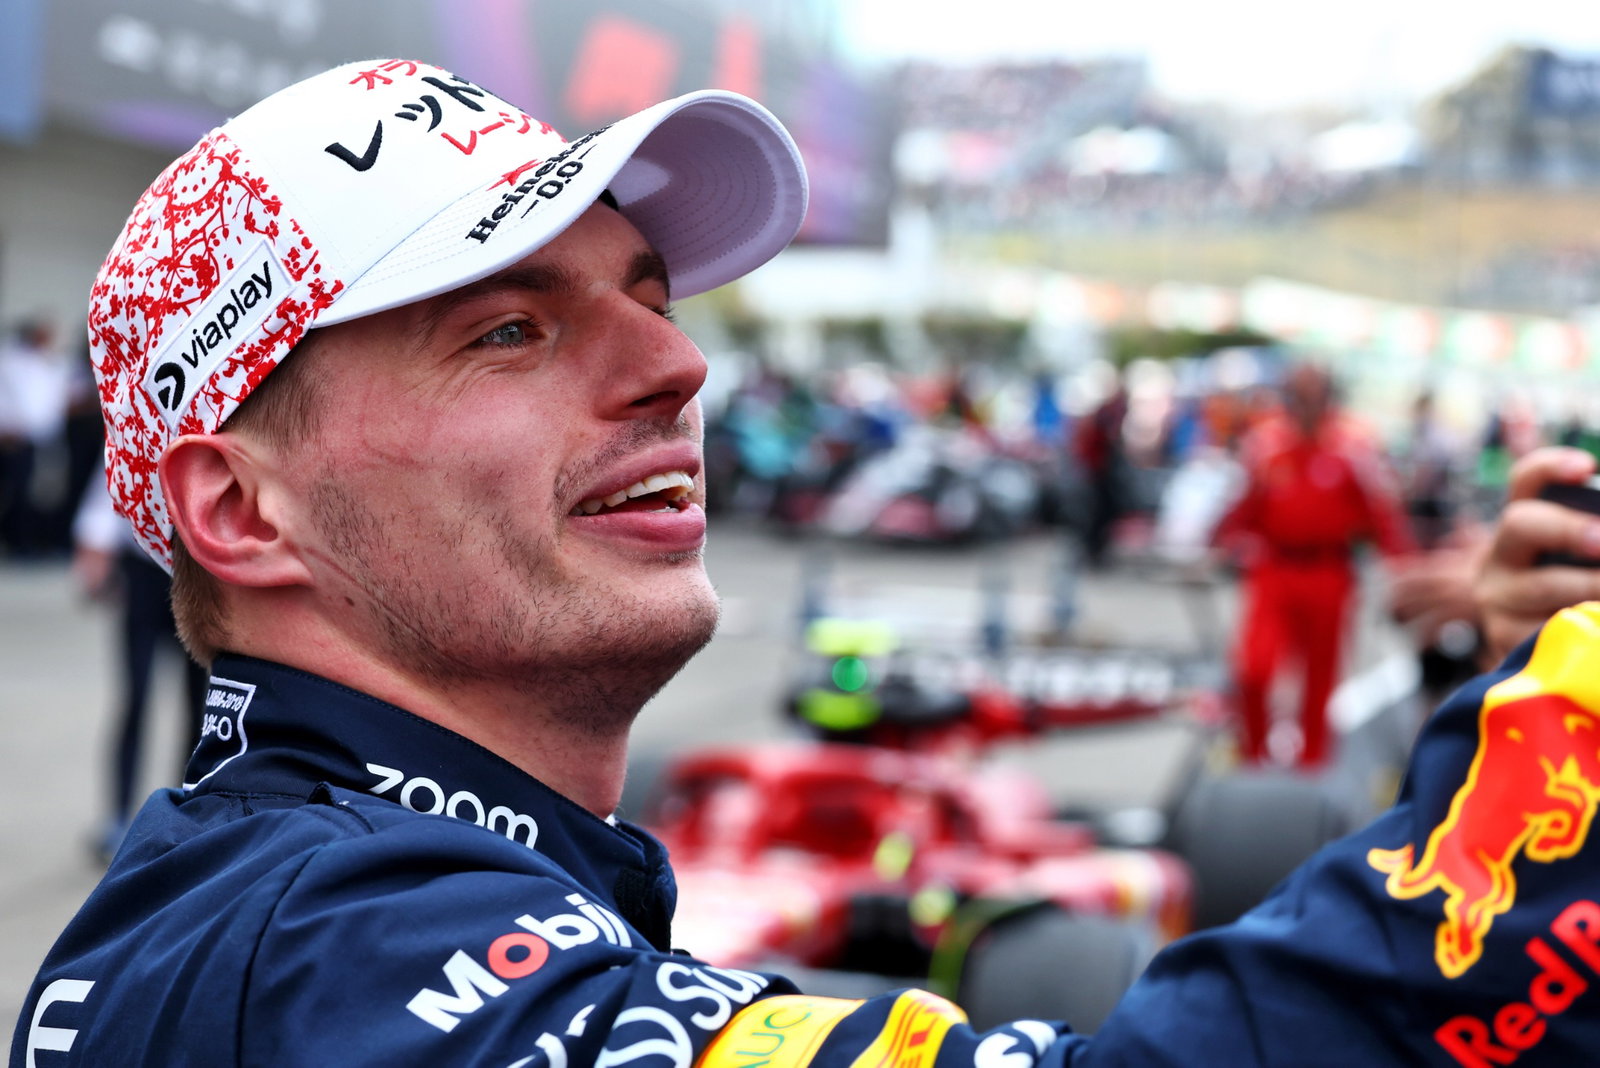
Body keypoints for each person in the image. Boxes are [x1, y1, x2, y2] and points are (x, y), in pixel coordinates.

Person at [15, 58, 1600, 1068]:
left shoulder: (282, 896)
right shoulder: (333, 961)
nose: (674, 368)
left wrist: (1514, 667)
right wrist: (1570, 738)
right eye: (508, 329)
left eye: (653, 295)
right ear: (243, 513)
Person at [1212, 362, 1416, 768]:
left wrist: (1405, 566)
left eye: (1311, 393)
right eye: (1296, 393)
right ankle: (1253, 755)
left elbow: (1381, 517)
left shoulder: (1351, 448)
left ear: (1328, 397)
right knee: (1254, 668)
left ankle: (1312, 763)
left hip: (1329, 571)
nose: (1303, 402)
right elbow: (1241, 508)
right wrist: (1220, 542)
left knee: (1319, 675)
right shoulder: (1267, 446)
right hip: (1274, 569)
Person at [71, 465, 206, 861]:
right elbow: (113, 477)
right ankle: (117, 815)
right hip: (144, 570)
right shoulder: (138, 410)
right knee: (135, 697)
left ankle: (190, 812)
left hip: (198, 569)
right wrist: (94, 553)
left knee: (199, 706)